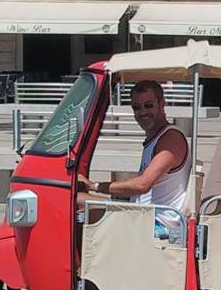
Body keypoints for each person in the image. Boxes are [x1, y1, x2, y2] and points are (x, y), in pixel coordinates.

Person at [76, 80, 191, 234]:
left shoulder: (170, 139)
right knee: (76, 200)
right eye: (137, 107)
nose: (143, 112)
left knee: (79, 211)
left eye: (149, 105)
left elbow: (143, 185)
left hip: (158, 225)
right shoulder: (156, 139)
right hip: (142, 214)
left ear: (162, 104)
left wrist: (94, 186)